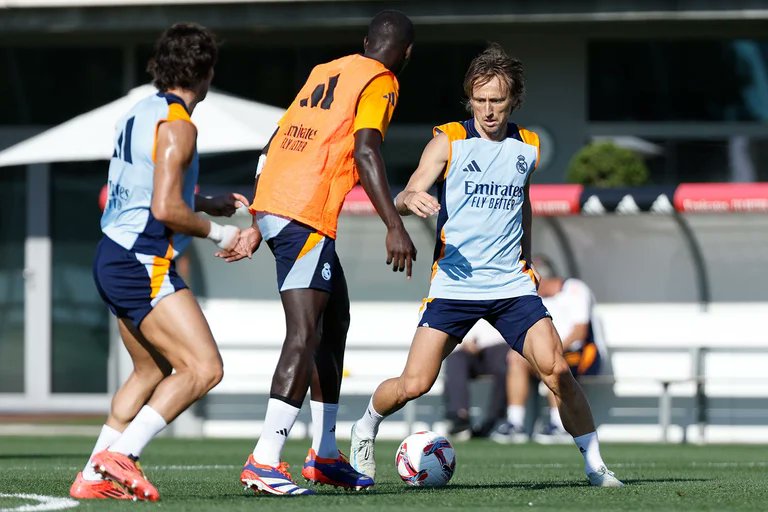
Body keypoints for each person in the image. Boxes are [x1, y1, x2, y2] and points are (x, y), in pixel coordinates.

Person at [349, 43, 623, 487]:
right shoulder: (449, 140)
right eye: (480, 100)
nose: (488, 110)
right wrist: (409, 197)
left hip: (512, 284)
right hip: (454, 285)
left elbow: (524, 205)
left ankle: (596, 467)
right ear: (469, 99)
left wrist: (527, 260)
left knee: (557, 371)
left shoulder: (527, 147)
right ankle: (365, 427)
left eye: (497, 100)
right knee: (414, 383)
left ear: (513, 100)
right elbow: (408, 189)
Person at [216, 10, 417, 496]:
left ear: (364, 41)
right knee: (304, 333)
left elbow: (274, 145)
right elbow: (367, 150)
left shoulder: (326, 71)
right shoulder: (381, 80)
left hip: (282, 204)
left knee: (335, 322)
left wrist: (260, 221)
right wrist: (394, 224)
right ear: (406, 54)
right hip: (304, 211)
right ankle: (264, 459)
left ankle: (325, 454)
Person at [69, 23, 247, 502]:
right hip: (140, 260)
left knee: (150, 372)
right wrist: (224, 233)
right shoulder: (180, 126)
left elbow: (150, 187)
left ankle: (91, 475)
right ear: (206, 73)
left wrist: (205, 201)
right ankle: (122, 456)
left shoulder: (139, 111)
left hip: (112, 254)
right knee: (204, 368)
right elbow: (165, 209)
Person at [492, 255, 604, 444]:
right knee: (516, 359)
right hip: (553, 351)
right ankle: (515, 423)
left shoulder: (575, 289)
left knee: (552, 360)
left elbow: (579, 332)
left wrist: (551, 349)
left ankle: (559, 425)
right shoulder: (534, 299)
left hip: (583, 354)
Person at [443, 319, 509, 439]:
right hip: (477, 351)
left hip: (504, 348)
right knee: (456, 357)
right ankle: (460, 416)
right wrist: (466, 342)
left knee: (505, 364)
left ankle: (493, 421)